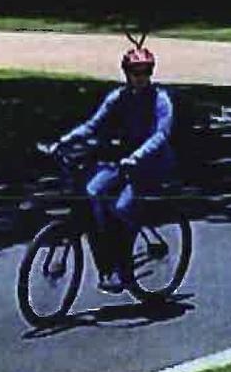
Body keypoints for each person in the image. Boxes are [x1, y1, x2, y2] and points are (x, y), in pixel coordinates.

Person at [48, 44, 176, 293]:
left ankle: (124, 264)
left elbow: (161, 135)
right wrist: (64, 142)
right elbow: (93, 125)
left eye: (145, 72)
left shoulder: (161, 100)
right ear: (126, 73)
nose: (140, 78)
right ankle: (108, 258)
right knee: (92, 192)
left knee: (121, 207)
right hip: (121, 159)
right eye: (135, 72)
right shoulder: (118, 97)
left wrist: (138, 156)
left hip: (150, 164)